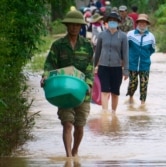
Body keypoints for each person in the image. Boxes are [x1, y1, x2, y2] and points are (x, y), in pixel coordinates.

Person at [40, 9, 94, 157]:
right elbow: (49, 65)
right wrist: (45, 77)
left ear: (81, 27)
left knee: (80, 125)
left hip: (82, 91)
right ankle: (69, 157)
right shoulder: (58, 45)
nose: (74, 28)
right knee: (67, 123)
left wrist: (89, 85)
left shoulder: (87, 45)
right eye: (71, 25)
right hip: (63, 90)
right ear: (67, 26)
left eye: (77, 25)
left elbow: (90, 68)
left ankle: (75, 150)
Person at [94, 12, 129, 113]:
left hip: (117, 68)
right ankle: (105, 113)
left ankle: (113, 113)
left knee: (115, 92)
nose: (112, 22)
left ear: (118, 22)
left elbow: (125, 54)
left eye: (114, 21)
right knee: (104, 91)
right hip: (103, 67)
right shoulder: (101, 35)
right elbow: (97, 53)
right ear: (107, 22)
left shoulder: (123, 37)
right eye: (110, 21)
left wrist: (126, 70)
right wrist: (93, 66)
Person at [126, 14, 156, 105]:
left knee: (144, 85)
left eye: (144, 23)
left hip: (145, 65)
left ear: (147, 24)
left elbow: (152, 50)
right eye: (140, 22)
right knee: (133, 84)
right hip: (132, 64)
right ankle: (130, 97)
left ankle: (142, 104)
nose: (142, 24)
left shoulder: (151, 37)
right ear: (137, 23)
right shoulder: (130, 35)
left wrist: (145, 57)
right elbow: (126, 48)